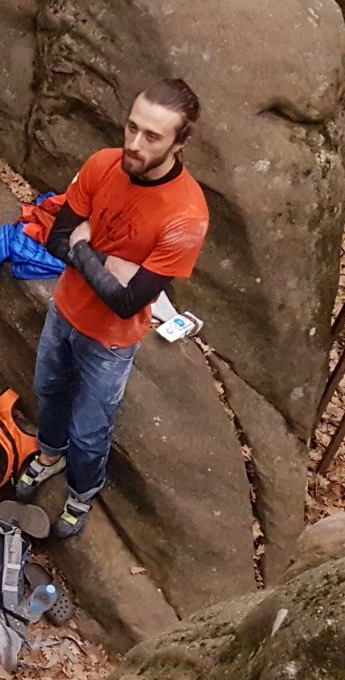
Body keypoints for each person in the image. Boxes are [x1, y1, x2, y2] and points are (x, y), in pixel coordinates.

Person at [15, 79, 210, 539]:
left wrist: (86, 251)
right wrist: (104, 263)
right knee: (49, 388)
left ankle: (82, 492)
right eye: (131, 128)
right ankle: (48, 454)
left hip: (111, 342)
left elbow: (128, 301)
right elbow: (59, 237)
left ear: (180, 142)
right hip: (64, 310)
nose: (134, 144)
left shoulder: (186, 216)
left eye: (152, 137)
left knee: (91, 429)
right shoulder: (103, 165)